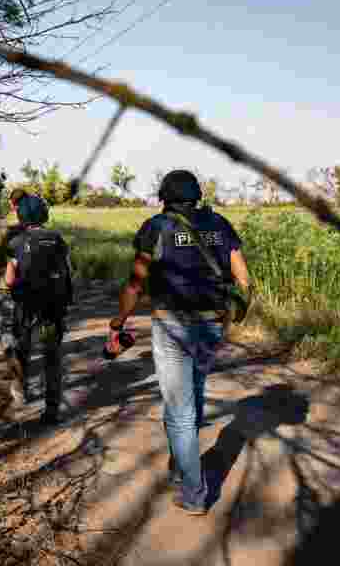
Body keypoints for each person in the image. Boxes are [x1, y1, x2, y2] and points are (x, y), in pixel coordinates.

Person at [105, 169, 253, 515]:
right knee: (194, 393)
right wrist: (231, 317)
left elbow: (136, 283)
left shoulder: (157, 228)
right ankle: (181, 467)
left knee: (180, 411)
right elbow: (244, 279)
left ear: (165, 196)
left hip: (172, 327)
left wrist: (120, 320)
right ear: (197, 194)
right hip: (211, 325)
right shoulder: (220, 225)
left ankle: (193, 492)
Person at [3, 193, 74, 425]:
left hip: (26, 309)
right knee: (51, 357)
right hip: (52, 310)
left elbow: (10, 281)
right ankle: (51, 409)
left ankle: (20, 394)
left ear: (22, 215)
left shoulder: (16, 242)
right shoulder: (58, 239)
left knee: (21, 350)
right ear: (44, 214)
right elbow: (70, 270)